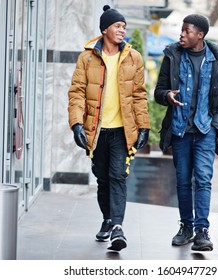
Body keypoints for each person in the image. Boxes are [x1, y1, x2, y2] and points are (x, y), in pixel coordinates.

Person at [67, 5, 150, 251]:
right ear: (105, 29)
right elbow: (77, 93)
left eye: (124, 27)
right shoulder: (87, 57)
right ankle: (107, 219)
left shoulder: (134, 58)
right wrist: (76, 124)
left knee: (117, 176)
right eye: (118, 26)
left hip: (123, 131)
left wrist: (144, 126)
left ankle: (117, 227)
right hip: (96, 131)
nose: (122, 31)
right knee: (102, 179)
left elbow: (139, 96)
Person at [154, 14, 218, 251]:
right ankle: (186, 227)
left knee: (202, 180)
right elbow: (159, 90)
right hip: (179, 130)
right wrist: (167, 96)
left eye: (186, 31)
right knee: (182, 181)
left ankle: (202, 232)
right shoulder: (172, 56)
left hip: (205, 131)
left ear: (200, 35)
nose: (181, 34)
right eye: (181, 30)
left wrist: (216, 124)